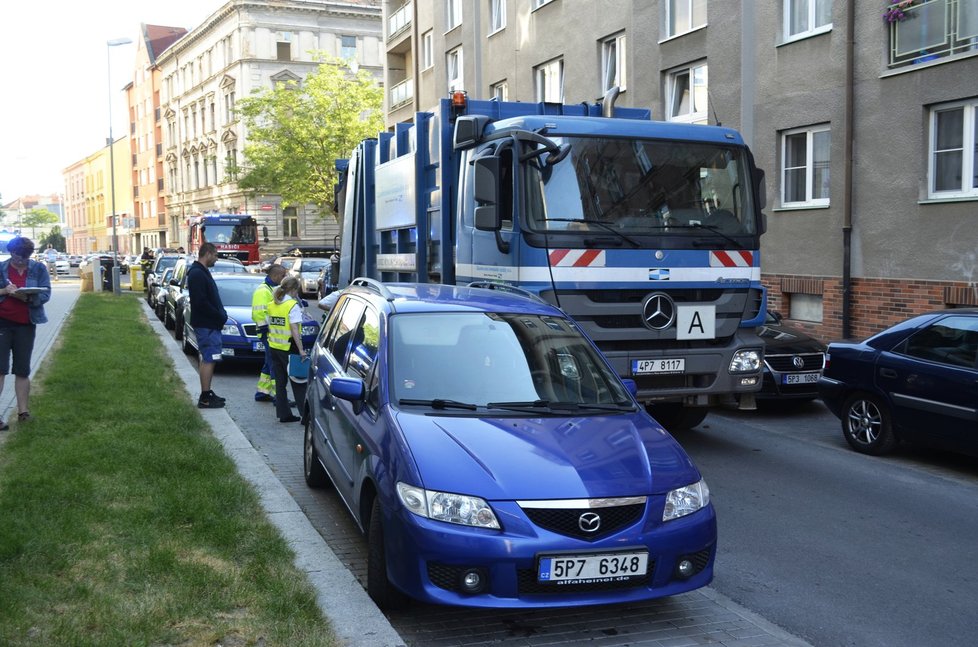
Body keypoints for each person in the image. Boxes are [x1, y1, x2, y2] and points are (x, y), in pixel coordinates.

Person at [0, 237, 52, 428]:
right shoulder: (1, 268)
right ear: (11, 252)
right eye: (17, 256)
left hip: (26, 324)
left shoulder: (38, 269)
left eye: (24, 257)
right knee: (0, 369)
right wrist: (6, 291)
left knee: (22, 369)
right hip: (2, 323)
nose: (20, 260)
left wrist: (28, 298)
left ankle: (23, 412)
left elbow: (46, 292)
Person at [186, 242, 228, 408]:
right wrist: (218, 315)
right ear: (208, 254)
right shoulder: (197, 274)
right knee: (209, 358)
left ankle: (207, 392)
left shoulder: (201, 272)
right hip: (207, 324)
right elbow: (200, 301)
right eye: (216, 255)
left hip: (210, 324)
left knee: (210, 358)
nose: (216, 259)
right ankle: (205, 397)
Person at [266, 275, 307, 423]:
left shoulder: (272, 303)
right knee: (299, 382)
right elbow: (294, 329)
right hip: (290, 348)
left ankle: (284, 414)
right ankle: (305, 416)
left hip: (274, 347)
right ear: (294, 289)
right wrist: (302, 350)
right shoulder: (292, 305)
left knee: (280, 383)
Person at [252, 263, 287, 402]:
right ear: (276, 275)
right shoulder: (263, 291)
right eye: (283, 276)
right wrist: (268, 330)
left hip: (272, 333)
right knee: (275, 365)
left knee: (269, 363)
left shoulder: (272, 288)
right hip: (268, 333)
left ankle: (262, 393)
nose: (284, 278)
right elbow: (259, 314)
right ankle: (278, 396)